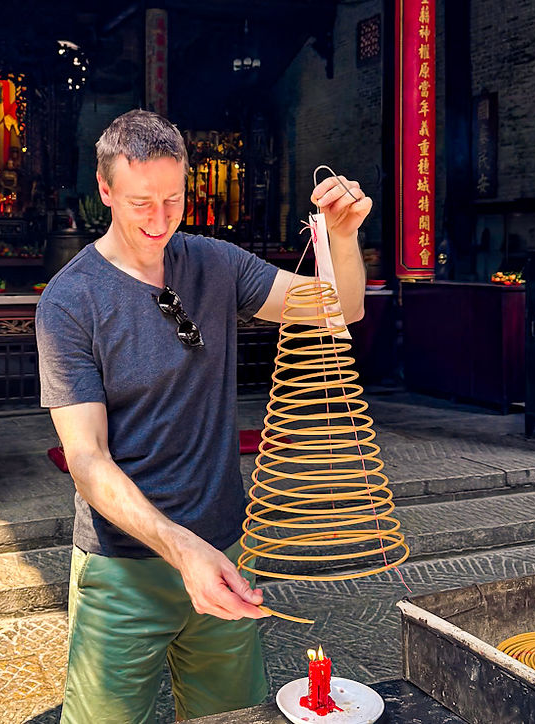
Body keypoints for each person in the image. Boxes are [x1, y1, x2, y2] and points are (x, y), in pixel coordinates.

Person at [35, 109, 370, 724]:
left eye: (173, 199)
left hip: (223, 551)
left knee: (235, 717)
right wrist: (179, 548)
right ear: (104, 191)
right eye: (141, 202)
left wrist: (341, 237)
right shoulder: (70, 301)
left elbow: (337, 310)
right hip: (124, 568)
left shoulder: (216, 264)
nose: (160, 220)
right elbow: (87, 460)